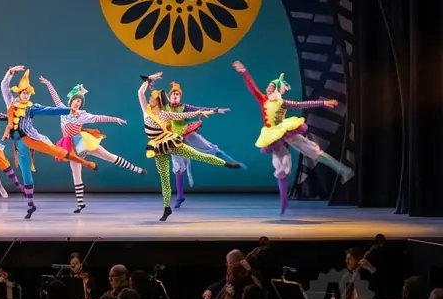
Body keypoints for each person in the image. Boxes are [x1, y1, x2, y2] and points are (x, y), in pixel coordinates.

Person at [233, 61, 352, 214]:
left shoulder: (282, 102)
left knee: (314, 152)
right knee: (281, 168)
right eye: (268, 86)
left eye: (271, 86)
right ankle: (284, 203)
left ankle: (343, 170)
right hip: (272, 136)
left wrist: (324, 102)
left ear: (277, 89)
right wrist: (244, 72)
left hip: (285, 130)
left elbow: (302, 104)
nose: (267, 88)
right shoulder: (263, 100)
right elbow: (252, 87)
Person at [138, 73, 239, 221]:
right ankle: (167, 208)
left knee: (199, 155)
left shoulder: (165, 115)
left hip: (170, 143)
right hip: (157, 148)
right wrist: (148, 80)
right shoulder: (146, 111)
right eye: (150, 99)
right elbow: (140, 92)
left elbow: (189, 114)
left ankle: (226, 164)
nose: (150, 101)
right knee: (164, 178)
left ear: (158, 102)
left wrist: (209, 111)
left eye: (153, 99)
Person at [0, 67, 96, 218]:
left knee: (54, 150)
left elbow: (50, 110)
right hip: (19, 142)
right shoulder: (11, 104)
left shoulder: (31, 108)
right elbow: (4, 87)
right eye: (23, 92)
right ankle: (30, 205)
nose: (26, 95)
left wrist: (69, 111)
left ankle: (85, 162)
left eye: (28, 93)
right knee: (26, 173)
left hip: (32, 138)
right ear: (19, 93)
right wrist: (10, 73)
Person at [39, 77, 144, 212]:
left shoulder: (82, 115)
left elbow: (99, 117)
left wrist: (115, 119)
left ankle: (135, 169)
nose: (77, 103)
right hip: (69, 144)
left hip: (81, 141)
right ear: (71, 101)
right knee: (76, 172)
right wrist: (49, 84)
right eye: (76, 100)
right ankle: (80, 203)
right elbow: (56, 98)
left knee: (108, 156)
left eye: (79, 101)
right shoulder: (63, 110)